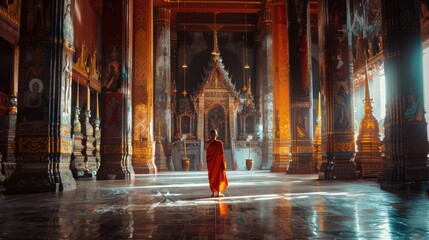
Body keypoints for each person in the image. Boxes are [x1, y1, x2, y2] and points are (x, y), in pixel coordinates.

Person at [206, 129, 228, 197]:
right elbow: (221, 154)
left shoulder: (207, 143)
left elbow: (207, 153)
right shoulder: (219, 143)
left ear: (210, 135)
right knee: (218, 176)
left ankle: (213, 192)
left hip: (210, 163)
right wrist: (224, 162)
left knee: (212, 177)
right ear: (216, 135)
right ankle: (218, 192)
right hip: (218, 163)